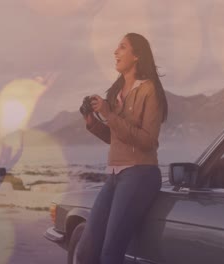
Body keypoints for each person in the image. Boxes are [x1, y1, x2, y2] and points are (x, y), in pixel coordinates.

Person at [76, 33, 168, 264]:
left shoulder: (150, 90)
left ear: (136, 56)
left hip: (140, 174)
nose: (115, 52)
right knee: (86, 251)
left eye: (122, 48)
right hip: (115, 175)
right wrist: (93, 122)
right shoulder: (116, 93)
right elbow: (116, 138)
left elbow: (148, 141)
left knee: (110, 254)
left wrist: (108, 114)